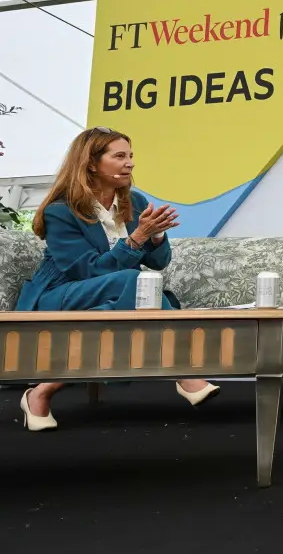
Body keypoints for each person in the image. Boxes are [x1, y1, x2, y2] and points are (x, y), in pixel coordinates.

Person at [15, 126, 220, 431]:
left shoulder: (133, 202)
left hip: (112, 292)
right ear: (91, 163)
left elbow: (158, 262)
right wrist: (136, 239)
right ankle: (183, 369)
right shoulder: (62, 211)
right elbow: (87, 271)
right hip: (59, 293)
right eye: (120, 156)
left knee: (138, 290)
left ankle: (43, 390)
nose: (130, 163)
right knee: (134, 283)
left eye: (131, 155)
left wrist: (155, 236)